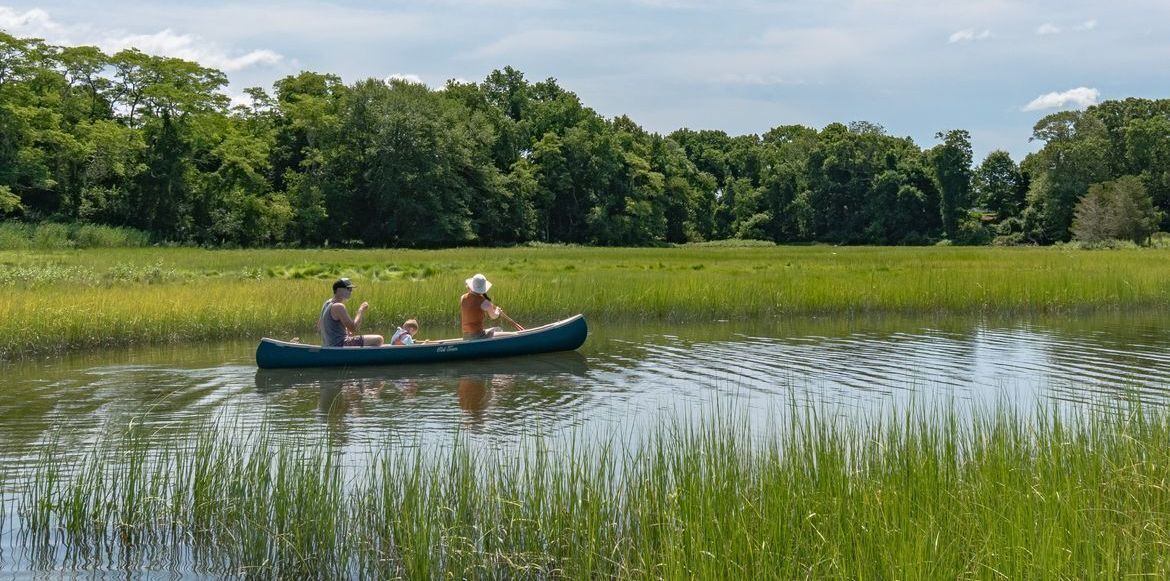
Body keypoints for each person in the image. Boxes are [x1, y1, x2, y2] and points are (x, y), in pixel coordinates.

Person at [318, 277, 384, 347]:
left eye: (351, 289)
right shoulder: (339, 306)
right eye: (348, 289)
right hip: (340, 344)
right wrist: (361, 310)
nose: (351, 291)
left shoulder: (327, 303)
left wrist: (344, 331)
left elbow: (319, 325)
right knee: (379, 339)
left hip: (328, 345)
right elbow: (353, 328)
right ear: (338, 290)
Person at [461, 273, 506, 340]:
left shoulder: (463, 297)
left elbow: (473, 301)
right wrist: (498, 311)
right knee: (512, 334)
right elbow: (494, 316)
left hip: (466, 336)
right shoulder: (485, 302)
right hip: (478, 336)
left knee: (498, 329)